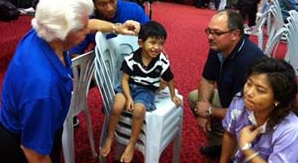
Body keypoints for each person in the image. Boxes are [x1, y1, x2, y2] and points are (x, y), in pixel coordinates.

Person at [0, 0, 140, 163]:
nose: (87, 30)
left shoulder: (44, 31)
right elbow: (34, 154)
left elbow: (88, 25)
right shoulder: (43, 85)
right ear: (61, 33)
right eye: (82, 29)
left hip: (39, 121)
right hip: (20, 144)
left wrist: (117, 27)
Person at [100, 21, 182, 163]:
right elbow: (124, 80)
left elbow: (170, 78)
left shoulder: (161, 61)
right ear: (141, 43)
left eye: (161, 44)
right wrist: (128, 97)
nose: (157, 47)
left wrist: (173, 95)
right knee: (118, 104)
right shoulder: (131, 59)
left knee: (139, 110)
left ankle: (132, 143)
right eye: (152, 43)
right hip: (129, 87)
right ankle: (110, 136)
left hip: (146, 90)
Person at [187, 10, 264, 158]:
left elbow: (244, 111)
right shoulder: (218, 48)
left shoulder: (248, 61)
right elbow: (207, 80)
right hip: (231, 101)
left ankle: (233, 150)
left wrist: (210, 111)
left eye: (216, 33)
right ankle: (220, 145)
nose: (210, 37)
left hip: (253, 115)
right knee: (194, 97)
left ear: (235, 34)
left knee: (241, 152)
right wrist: (204, 109)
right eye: (209, 31)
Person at [220, 57, 298, 163]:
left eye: (260, 90)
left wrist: (246, 148)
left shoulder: (290, 129)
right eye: (249, 84)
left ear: (278, 98)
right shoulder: (240, 101)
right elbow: (230, 135)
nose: (249, 93)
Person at [69, 0, 150, 56]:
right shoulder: (87, 20)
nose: (110, 8)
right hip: (105, 63)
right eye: (103, 4)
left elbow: (152, 37)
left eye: (112, 0)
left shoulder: (134, 10)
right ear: (93, 5)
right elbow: (74, 53)